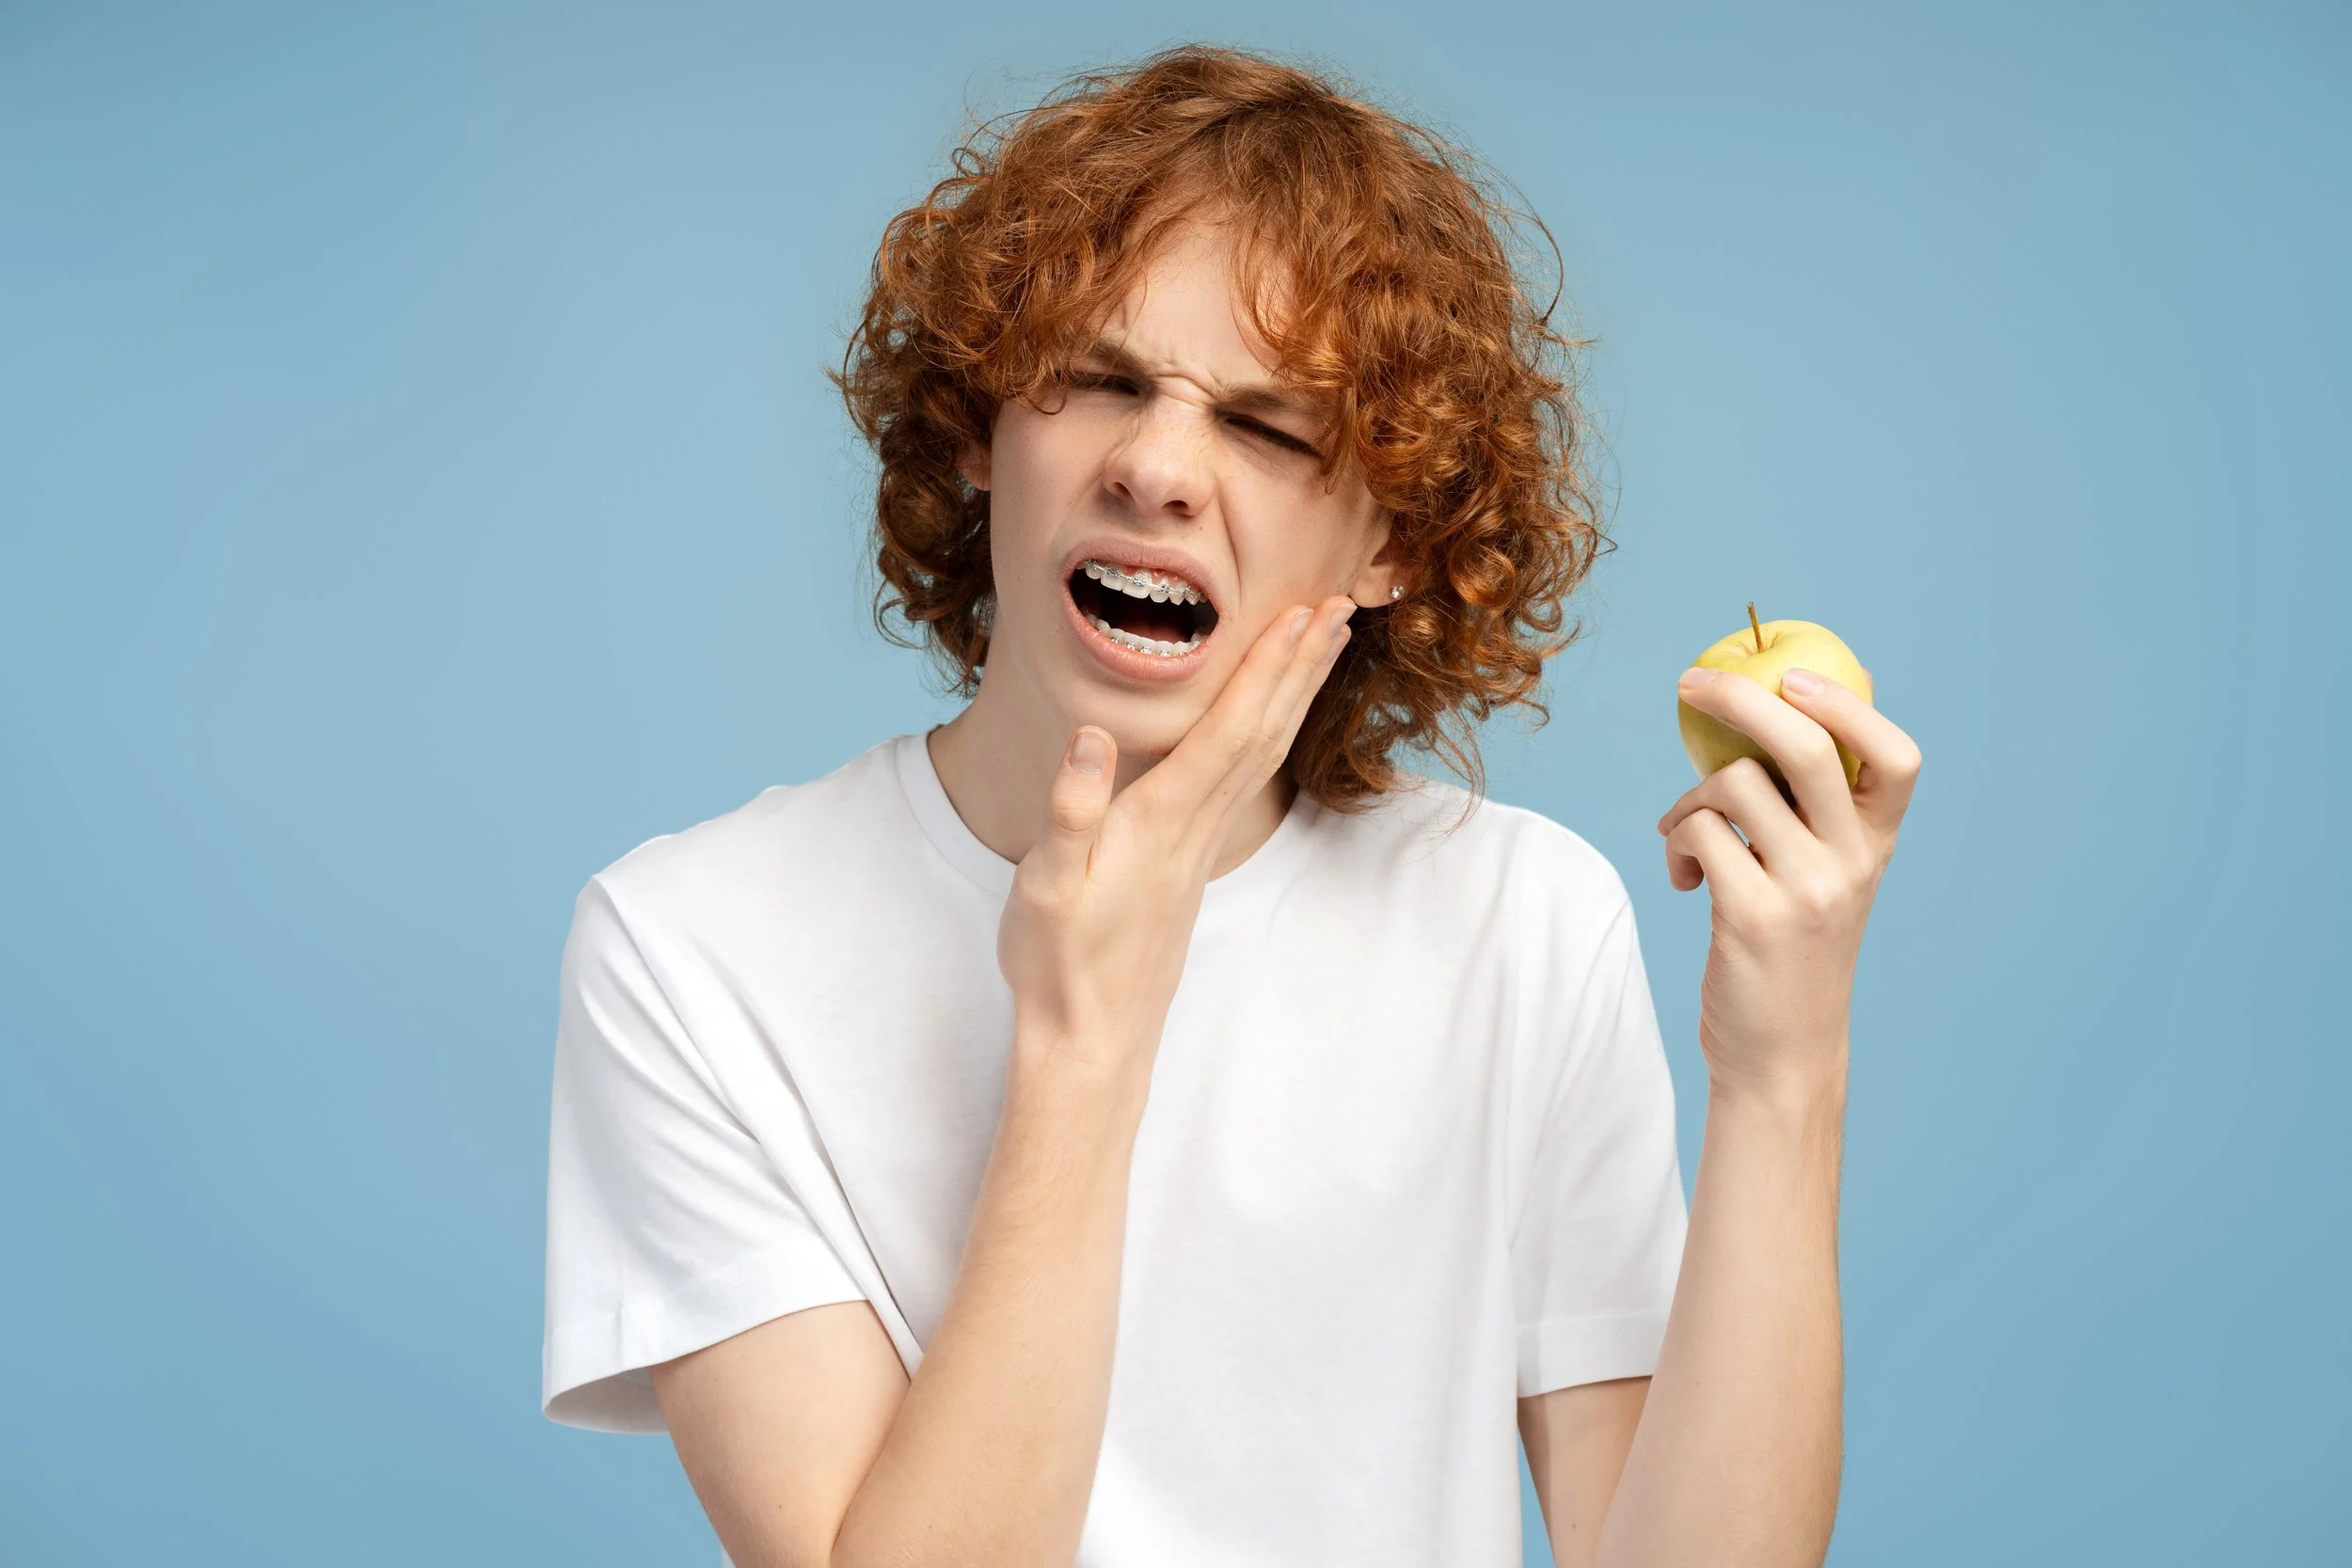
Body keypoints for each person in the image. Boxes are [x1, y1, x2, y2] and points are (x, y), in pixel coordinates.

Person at [539, 43, 1921, 1568]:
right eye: (1097, 378)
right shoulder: (692, 948)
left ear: (1394, 539)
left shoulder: (1513, 919)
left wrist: (1786, 1074)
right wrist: (1085, 1041)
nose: (1157, 468)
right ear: (974, 432)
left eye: (1269, 428)